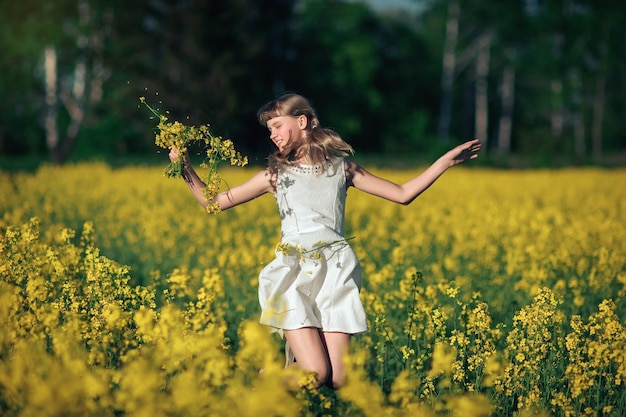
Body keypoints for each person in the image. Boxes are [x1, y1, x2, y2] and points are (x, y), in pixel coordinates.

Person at [168, 93, 481, 390]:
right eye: (269, 130)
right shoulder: (275, 174)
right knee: (316, 374)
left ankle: (277, 381)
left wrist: (445, 162)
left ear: (302, 122)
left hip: (335, 273)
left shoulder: (343, 169)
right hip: (293, 276)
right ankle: (253, 390)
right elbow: (215, 202)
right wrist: (185, 168)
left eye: (277, 126)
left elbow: (402, 195)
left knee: (339, 379)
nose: (272, 135)